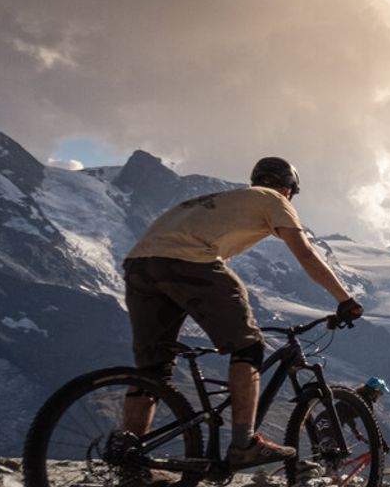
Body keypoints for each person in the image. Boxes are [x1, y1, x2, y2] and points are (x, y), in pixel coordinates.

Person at [120, 157, 362, 470]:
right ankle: (244, 443)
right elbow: (306, 254)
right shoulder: (274, 199)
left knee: (153, 370)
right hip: (187, 260)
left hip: (138, 266)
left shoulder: (220, 200)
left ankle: (128, 461)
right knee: (249, 347)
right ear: (289, 188)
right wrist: (344, 299)